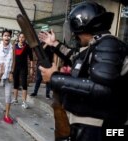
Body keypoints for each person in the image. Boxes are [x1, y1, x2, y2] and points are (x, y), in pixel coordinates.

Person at [38, 1, 128, 141]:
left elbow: (103, 89)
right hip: (91, 124)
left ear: (83, 28)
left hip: (100, 127)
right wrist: (54, 44)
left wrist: (55, 77)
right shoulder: (98, 44)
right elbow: (76, 57)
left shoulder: (108, 45)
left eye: (76, 32)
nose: (75, 35)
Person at [0, 29, 15, 124]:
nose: (7, 37)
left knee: (8, 96)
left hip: (8, 75)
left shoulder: (12, 48)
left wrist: (11, 73)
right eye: (5, 35)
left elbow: (14, 61)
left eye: (8, 36)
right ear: (2, 37)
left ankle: (6, 116)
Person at [11, 32, 34, 109]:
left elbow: (31, 58)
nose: (21, 38)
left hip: (24, 68)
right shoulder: (14, 46)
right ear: (18, 38)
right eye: (20, 37)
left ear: (25, 38)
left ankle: (24, 102)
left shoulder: (27, 47)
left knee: (24, 84)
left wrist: (31, 68)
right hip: (15, 67)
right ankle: (15, 99)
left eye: (23, 37)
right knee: (15, 83)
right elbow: (12, 58)